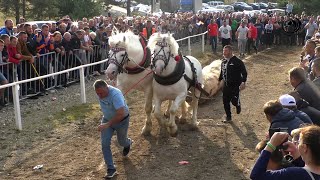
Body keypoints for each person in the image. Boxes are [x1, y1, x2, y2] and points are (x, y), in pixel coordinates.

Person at [94, 79, 132, 179]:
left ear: (107, 88)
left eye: (101, 93)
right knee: (105, 143)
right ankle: (111, 169)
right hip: (107, 119)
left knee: (121, 142)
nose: (100, 96)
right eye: (97, 94)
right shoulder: (100, 93)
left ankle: (128, 143)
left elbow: (121, 114)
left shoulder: (116, 95)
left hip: (122, 121)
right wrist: (106, 122)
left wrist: (107, 124)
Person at [251, 125, 320, 180]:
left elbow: (256, 176)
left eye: (299, 142)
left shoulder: (294, 173)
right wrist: (297, 157)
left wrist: (271, 145)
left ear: (305, 148)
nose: (297, 145)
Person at [218, 45, 247, 122]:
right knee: (225, 101)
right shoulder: (223, 62)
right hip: (226, 86)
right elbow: (222, 72)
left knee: (234, 101)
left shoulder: (237, 61)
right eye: (223, 51)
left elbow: (244, 72)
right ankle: (228, 117)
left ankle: (237, 105)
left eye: (226, 51)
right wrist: (219, 80)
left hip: (235, 86)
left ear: (230, 51)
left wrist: (243, 82)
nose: (224, 52)